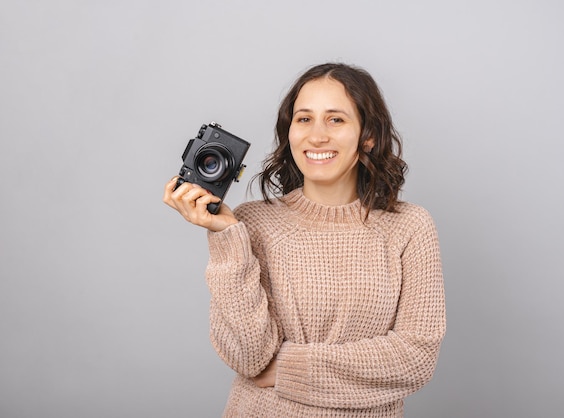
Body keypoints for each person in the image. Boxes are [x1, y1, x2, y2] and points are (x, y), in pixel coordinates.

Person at [163, 63, 446, 417]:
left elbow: (414, 360)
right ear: (289, 132)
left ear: (368, 136)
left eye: (336, 120)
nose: (317, 136)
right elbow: (249, 358)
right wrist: (227, 239)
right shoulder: (251, 223)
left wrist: (286, 369)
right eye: (304, 119)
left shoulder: (410, 227)